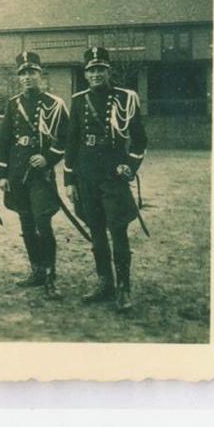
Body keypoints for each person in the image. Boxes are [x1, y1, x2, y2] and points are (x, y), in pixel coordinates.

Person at [64, 47, 147, 312]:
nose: (96, 74)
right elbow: (71, 142)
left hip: (113, 175)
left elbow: (140, 140)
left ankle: (123, 287)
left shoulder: (126, 98)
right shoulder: (78, 100)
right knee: (96, 231)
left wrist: (129, 166)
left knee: (118, 230)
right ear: (85, 74)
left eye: (100, 69)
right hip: (86, 174)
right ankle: (104, 283)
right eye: (91, 70)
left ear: (108, 71)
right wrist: (69, 180)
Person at [0, 51, 69, 300]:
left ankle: (50, 275)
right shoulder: (13, 104)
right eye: (23, 74)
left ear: (40, 74)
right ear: (19, 78)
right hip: (17, 174)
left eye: (32, 73)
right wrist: (2, 174)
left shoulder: (54, 104)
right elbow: (4, 140)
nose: (27, 77)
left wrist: (48, 158)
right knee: (26, 223)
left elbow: (66, 138)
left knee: (42, 223)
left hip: (40, 175)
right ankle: (36, 270)